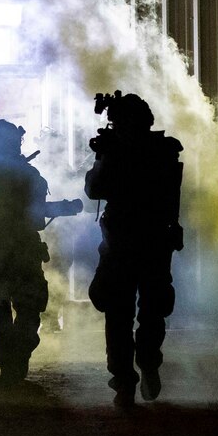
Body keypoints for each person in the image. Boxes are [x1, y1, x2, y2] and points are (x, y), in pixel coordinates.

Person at [0, 119, 82, 386]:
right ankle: (16, 363)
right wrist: (64, 207)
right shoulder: (29, 174)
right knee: (27, 309)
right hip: (25, 249)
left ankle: (9, 367)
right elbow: (39, 212)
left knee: (2, 309)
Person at [85, 92, 184, 407]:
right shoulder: (164, 149)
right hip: (155, 241)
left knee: (118, 315)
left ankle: (125, 381)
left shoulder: (115, 150)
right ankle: (148, 362)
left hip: (122, 243)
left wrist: (103, 156)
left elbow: (94, 189)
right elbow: (175, 195)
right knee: (152, 311)